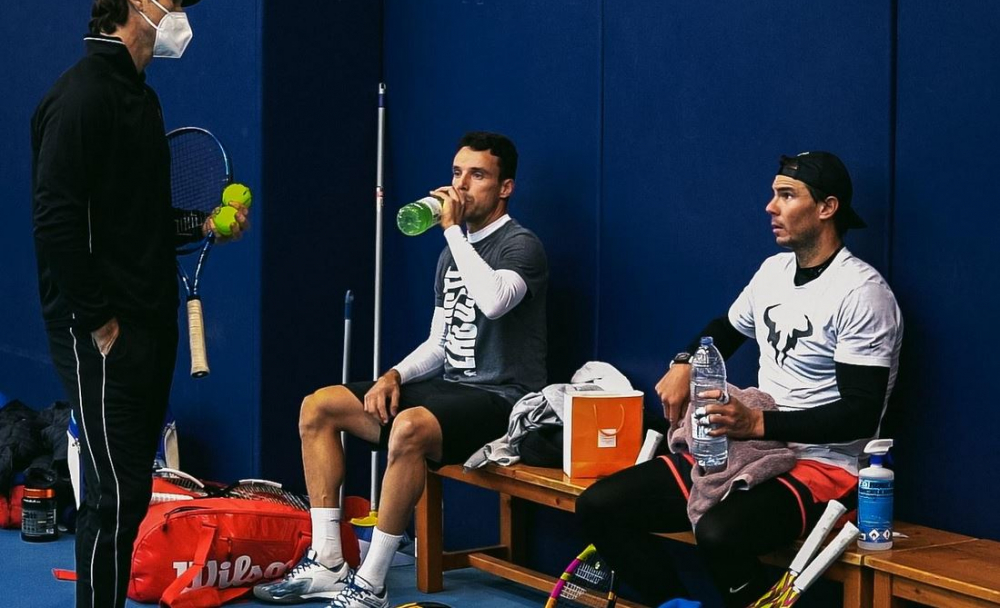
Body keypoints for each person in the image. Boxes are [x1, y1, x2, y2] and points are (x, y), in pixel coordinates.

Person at [576, 151, 902, 607]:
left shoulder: (862, 293)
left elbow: (860, 415)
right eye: (773, 194)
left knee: (719, 533)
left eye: (787, 196)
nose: (770, 207)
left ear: (827, 208)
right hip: (753, 447)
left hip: (827, 465)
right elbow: (724, 330)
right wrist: (684, 362)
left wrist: (757, 425)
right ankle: (675, 604)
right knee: (599, 506)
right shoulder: (774, 271)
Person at [31, 0, 248, 608]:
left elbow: (142, 216)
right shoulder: (78, 100)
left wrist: (202, 226)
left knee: (129, 489)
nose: (179, 16)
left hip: (150, 325)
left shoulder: (143, 101)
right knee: (113, 494)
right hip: (101, 332)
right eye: (173, 0)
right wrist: (100, 319)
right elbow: (57, 223)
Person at [254, 131, 548, 608]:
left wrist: (453, 231)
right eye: (457, 173)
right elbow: (439, 344)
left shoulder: (522, 246)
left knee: (408, 428)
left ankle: (371, 584)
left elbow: (494, 303)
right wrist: (392, 375)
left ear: (505, 187)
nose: (462, 186)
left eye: (478, 175)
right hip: (450, 391)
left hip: (504, 402)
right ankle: (329, 561)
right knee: (319, 407)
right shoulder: (449, 256)